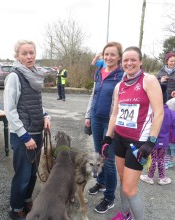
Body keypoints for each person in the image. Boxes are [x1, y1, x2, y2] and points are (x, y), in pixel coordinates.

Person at [101, 46, 164, 220]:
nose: (129, 63)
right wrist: (107, 138)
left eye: (133, 60)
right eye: (125, 60)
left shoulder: (148, 80)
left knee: (130, 188)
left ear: (140, 61)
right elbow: (115, 114)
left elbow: (159, 113)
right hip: (120, 138)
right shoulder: (119, 86)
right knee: (122, 180)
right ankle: (126, 214)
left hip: (138, 142)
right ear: (121, 63)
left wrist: (151, 142)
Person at [4, 40, 51, 220]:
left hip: (37, 133)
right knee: (22, 175)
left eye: (32, 52)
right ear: (17, 56)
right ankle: (16, 209)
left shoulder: (34, 74)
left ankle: (26, 200)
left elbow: (37, 103)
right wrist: (24, 136)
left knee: (32, 174)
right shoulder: (14, 76)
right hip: (24, 136)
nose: (29, 56)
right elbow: (10, 109)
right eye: (25, 53)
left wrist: (45, 115)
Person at [85, 42, 124, 214]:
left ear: (119, 57)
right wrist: (88, 115)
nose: (108, 57)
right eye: (106, 54)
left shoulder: (122, 75)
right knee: (98, 155)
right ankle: (100, 182)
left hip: (110, 122)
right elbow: (93, 95)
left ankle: (109, 198)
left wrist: (115, 124)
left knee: (108, 161)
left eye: (112, 55)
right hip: (95, 118)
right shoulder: (99, 72)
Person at [140, 84, 175, 185]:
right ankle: (162, 178)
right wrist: (171, 140)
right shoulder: (171, 113)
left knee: (153, 159)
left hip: (153, 141)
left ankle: (150, 177)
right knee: (161, 159)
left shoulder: (152, 112)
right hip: (165, 142)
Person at [157, 51, 175, 168]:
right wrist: (160, 81)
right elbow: (154, 84)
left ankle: (169, 156)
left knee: (172, 130)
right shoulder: (161, 72)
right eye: (171, 60)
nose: (173, 63)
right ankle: (160, 154)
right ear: (167, 61)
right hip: (163, 103)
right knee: (163, 130)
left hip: (173, 105)